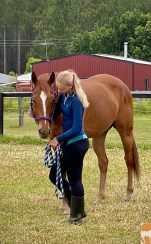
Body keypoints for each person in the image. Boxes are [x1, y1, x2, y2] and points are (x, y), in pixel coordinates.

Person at [48, 70, 90, 225]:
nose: (60, 91)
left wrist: (58, 139)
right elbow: (54, 115)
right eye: (58, 88)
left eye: (62, 88)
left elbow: (77, 128)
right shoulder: (64, 97)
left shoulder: (77, 101)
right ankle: (76, 207)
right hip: (67, 144)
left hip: (77, 143)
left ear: (71, 86)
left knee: (75, 180)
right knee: (54, 176)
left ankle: (77, 216)